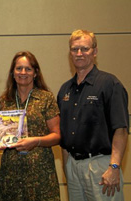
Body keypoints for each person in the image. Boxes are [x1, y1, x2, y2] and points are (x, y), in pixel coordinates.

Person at [57, 29, 129, 201]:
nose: (79, 53)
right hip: (73, 167)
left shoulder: (110, 84)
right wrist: (68, 169)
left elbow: (121, 129)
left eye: (85, 49)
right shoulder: (64, 90)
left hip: (102, 166)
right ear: (70, 53)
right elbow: (65, 137)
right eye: (75, 49)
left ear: (95, 51)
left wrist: (114, 166)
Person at [0, 51, 61, 201]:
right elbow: (1, 137)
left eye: (28, 69)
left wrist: (35, 141)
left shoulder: (46, 98)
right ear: (12, 73)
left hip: (41, 173)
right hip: (11, 174)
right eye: (19, 68)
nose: (23, 72)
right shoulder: (4, 101)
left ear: (35, 73)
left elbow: (57, 136)